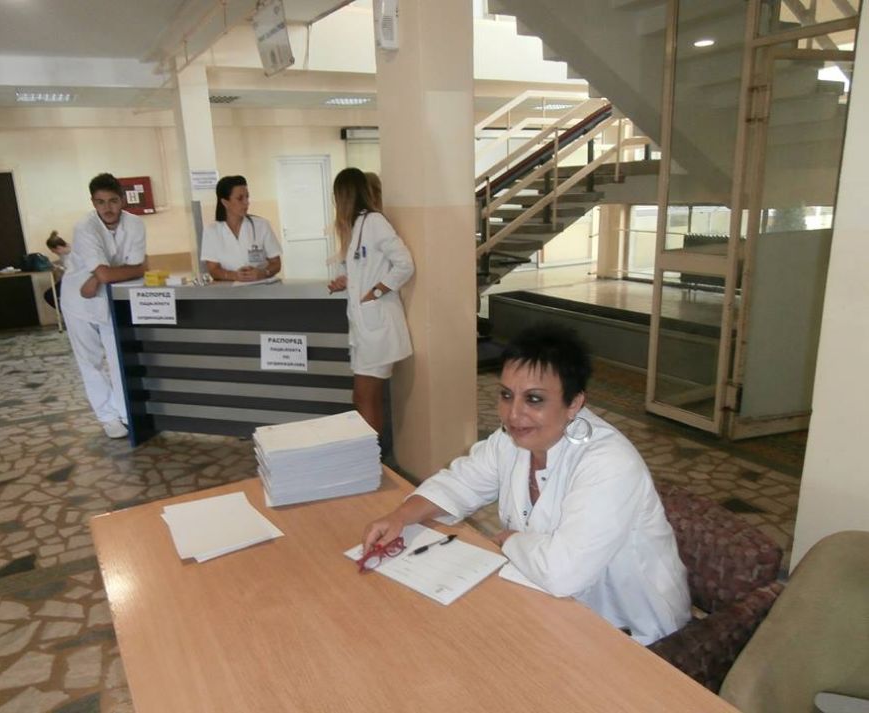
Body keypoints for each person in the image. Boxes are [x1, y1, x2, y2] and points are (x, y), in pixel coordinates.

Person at [362, 325, 690, 645]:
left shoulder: (609, 463)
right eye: (507, 395)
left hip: (632, 629)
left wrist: (510, 541)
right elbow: (461, 482)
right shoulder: (512, 440)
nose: (514, 414)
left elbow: (563, 573)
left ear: (574, 403)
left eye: (534, 399)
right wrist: (401, 516)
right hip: (554, 603)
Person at [327, 167, 414, 435]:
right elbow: (364, 268)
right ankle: (373, 452)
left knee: (364, 397)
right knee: (367, 397)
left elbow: (405, 264)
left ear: (345, 195)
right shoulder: (357, 227)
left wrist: (374, 293)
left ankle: (370, 453)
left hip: (377, 327)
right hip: (366, 329)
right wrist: (345, 281)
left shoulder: (374, 222)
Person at [61, 173, 147, 439]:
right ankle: (108, 417)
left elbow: (127, 269)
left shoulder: (135, 224)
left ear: (122, 200)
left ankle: (125, 413)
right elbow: (128, 269)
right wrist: (110, 274)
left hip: (112, 298)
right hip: (79, 302)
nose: (107, 208)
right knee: (91, 362)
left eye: (112, 201)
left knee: (119, 357)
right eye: (100, 202)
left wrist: (101, 277)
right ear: (93, 203)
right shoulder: (84, 228)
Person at [200, 175, 281, 282]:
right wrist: (234, 276)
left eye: (247, 197)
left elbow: (276, 263)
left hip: (262, 287)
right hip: (231, 289)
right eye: (240, 198)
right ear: (225, 202)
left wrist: (263, 273)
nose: (246, 202)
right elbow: (213, 269)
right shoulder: (212, 231)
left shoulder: (262, 225)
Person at [43, 230, 70, 308]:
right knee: (49, 295)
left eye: (53, 251)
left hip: (75, 280)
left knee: (49, 296)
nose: (53, 253)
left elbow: (71, 270)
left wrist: (59, 268)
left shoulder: (74, 253)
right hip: (68, 279)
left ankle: (65, 311)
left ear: (58, 248)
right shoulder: (63, 253)